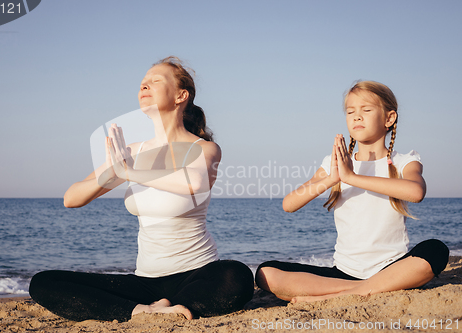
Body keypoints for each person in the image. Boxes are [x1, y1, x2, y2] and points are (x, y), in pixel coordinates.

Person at [29, 56, 254, 321]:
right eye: (142, 84)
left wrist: (130, 172)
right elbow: (72, 198)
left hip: (197, 274)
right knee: (43, 283)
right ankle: (143, 311)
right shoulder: (133, 152)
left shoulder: (203, 149)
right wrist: (113, 171)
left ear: (182, 95)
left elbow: (194, 183)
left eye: (155, 81)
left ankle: (172, 305)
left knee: (237, 276)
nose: (144, 87)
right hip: (145, 284)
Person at [255, 81, 449, 303]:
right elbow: (289, 204)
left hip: (392, 267)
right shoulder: (334, 165)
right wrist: (332, 178)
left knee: (436, 250)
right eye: (350, 111)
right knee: (265, 272)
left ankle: (334, 295)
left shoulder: (404, 162)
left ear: (389, 118)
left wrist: (353, 178)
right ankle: (363, 289)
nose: (357, 116)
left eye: (366, 110)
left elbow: (416, 192)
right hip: (345, 273)